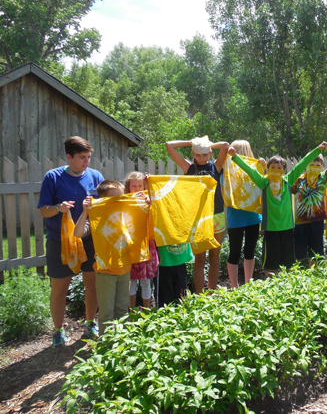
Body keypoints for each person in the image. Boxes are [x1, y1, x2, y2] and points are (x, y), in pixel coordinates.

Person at [228, 140, 327, 275]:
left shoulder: (289, 180)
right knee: (272, 266)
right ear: (267, 170)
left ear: (284, 171)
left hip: (287, 229)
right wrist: (235, 157)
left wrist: (318, 149)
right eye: (272, 168)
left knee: (288, 266)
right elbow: (250, 170)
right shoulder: (263, 182)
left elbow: (303, 163)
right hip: (271, 230)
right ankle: (273, 290)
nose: (276, 171)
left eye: (279, 168)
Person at [38, 136, 102, 348]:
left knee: (91, 285)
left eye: (89, 157)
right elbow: (44, 211)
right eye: (82, 157)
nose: (87, 162)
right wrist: (58, 208)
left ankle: (90, 323)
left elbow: (105, 204)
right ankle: (58, 330)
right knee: (59, 287)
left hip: (89, 240)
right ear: (69, 156)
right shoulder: (53, 177)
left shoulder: (95, 176)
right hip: (60, 241)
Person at [165, 136, 230, 293]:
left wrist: (207, 144)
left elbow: (225, 145)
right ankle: (200, 297)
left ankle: (212, 294)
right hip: (197, 219)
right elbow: (169, 145)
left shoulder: (216, 166)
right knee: (200, 259)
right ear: (193, 154)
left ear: (209, 154)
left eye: (205, 154)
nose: (201, 158)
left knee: (215, 257)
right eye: (198, 154)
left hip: (216, 216)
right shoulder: (189, 168)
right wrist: (190, 143)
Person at [74, 180, 128, 336]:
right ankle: (107, 349)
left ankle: (122, 344)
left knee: (123, 311)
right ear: (102, 200)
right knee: (106, 314)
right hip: (105, 272)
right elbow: (77, 233)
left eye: (121, 197)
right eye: (114, 198)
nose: (118, 201)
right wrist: (86, 211)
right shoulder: (96, 219)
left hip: (125, 270)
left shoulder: (126, 215)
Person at [292, 130, 327, 266]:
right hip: (300, 222)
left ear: (321, 166)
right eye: (311, 165)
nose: (314, 167)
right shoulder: (298, 180)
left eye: (317, 165)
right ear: (306, 166)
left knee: (316, 255)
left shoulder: (323, 177)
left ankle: (314, 277)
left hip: (317, 221)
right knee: (299, 256)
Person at [225, 140, 263, 288]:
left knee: (244, 251)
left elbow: (261, 183)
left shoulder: (255, 168)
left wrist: (262, 167)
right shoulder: (228, 167)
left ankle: (246, 285)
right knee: (242, 251)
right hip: (238, 217)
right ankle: (236, 287)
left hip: (250, 216)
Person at [124, 172, 158, 309]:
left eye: (140, 185)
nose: (137, 188)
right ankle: (131, 312)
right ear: (128, 187)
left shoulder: (149, 200)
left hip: (146, 244)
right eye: (134, 186)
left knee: (146, 281)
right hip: (131, 246)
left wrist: (151, 204)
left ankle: (146, 311)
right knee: (131, 281)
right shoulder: (124, 201)